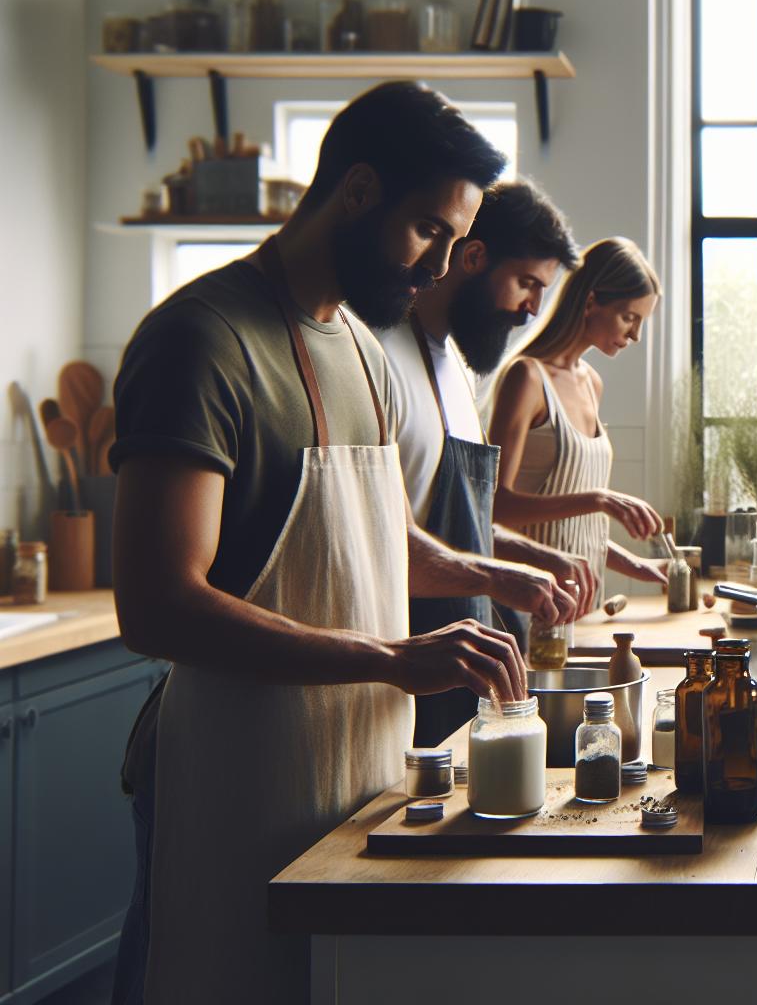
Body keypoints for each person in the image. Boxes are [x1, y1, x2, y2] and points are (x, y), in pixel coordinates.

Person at [109, 82, 570, 1005]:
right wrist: (393, 658)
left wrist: (500, 576)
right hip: (237, 787)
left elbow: (375, 535)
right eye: (429, 234)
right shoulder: (201, 341)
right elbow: (158, 603)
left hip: (358, 781)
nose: (441, 266)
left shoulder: (360, 347)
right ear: (357, 190)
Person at [375, 179, 599, 747]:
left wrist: (535, 554)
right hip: (396, 685)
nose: (533, 310)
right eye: (527, 284)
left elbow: (459, 522)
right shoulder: (377, 353)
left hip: (462, 683)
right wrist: (501, 574)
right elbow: (379, 541)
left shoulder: (457, 368)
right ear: (474, 257)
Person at [488, 237, 668, 609]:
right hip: (530, 605)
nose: (635, 335)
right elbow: (495, 508)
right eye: (629, 317)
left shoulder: (591, 383)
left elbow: (569, 527)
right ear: (591, 302)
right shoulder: (527, 378)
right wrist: (600, 499)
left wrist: (637, 565)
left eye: (641, 322)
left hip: (581, 604)